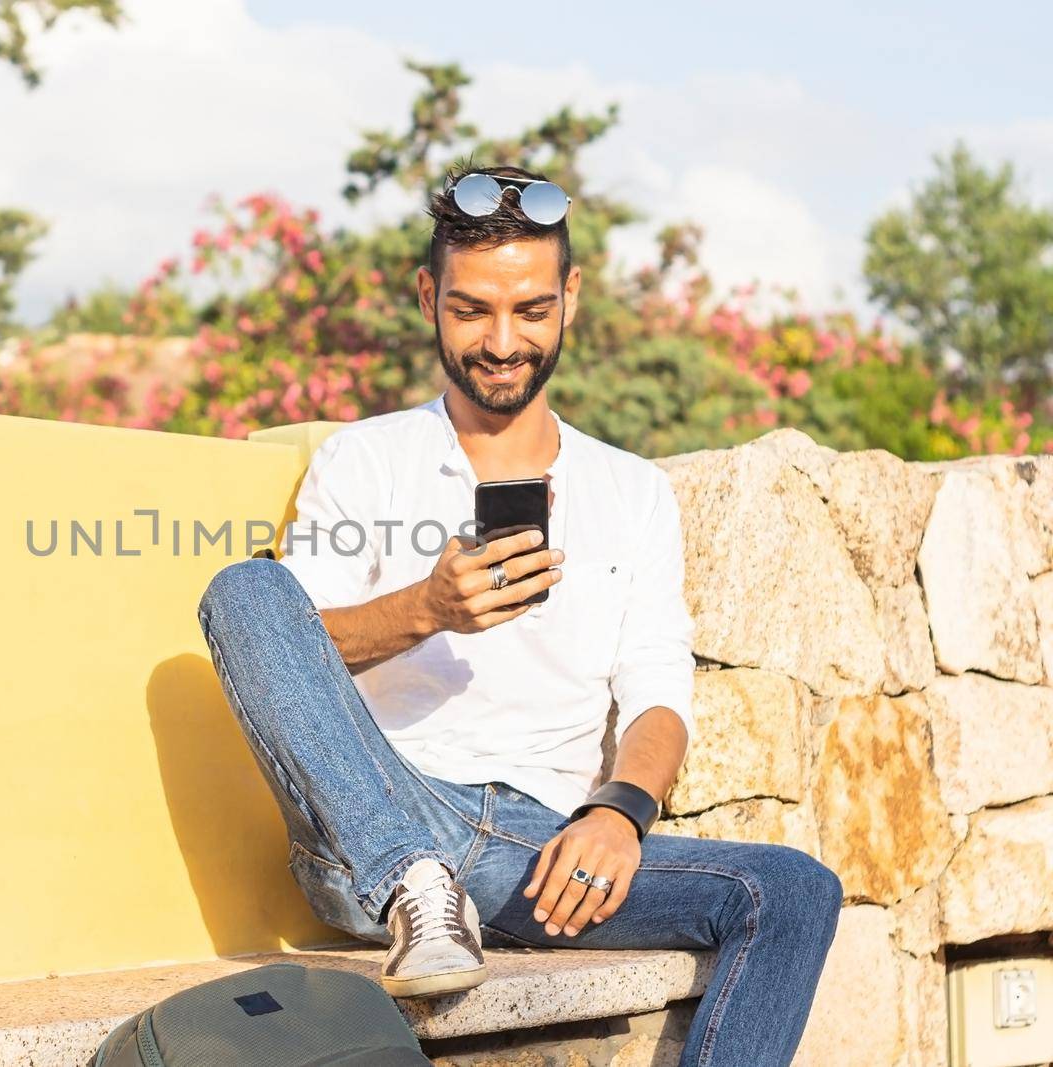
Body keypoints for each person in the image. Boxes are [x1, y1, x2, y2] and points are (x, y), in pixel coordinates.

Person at [195, 164, 842, 1067]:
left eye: (531, 309)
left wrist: (620, 813)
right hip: (382, 826)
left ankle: (449, 887)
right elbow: (290, 649)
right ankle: (416, 883)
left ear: (570, 298)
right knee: (247, 591)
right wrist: (426, 608)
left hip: (536, 855)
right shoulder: (364, 461)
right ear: (429, 296)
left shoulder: (633, 490)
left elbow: (659, 692)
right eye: (471, 311)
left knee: (797, 891)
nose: (503, 341)